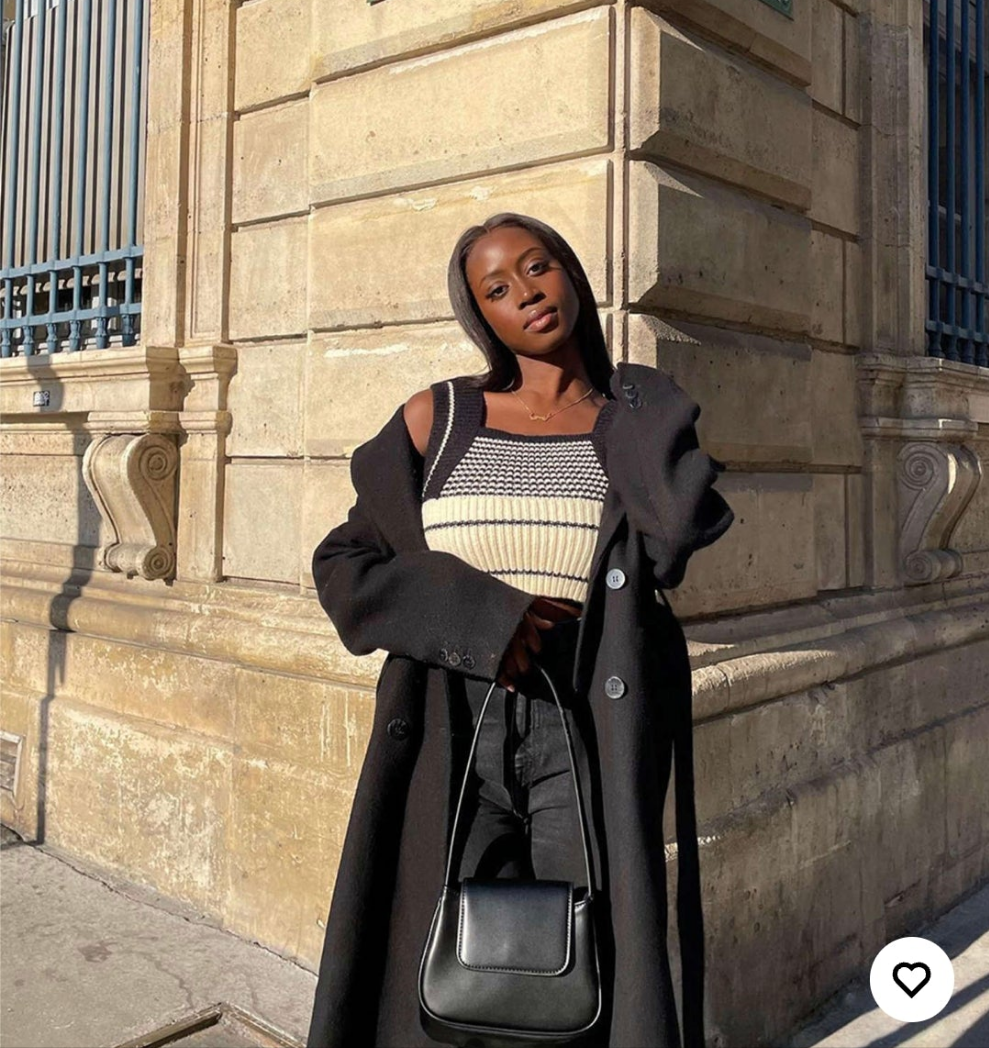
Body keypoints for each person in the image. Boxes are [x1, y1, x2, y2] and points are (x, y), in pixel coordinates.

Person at [306, 212, 736, 1048]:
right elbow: (346, 563)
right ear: (481, 319)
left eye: (536, 268)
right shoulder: (439, 417)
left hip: (584, 719)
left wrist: (637, 405)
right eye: (495, 288)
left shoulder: (630, 414)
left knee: (580, 962)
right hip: (454, 715)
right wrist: (486, 618)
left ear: (569, 274)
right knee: (450, 960)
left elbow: (676, 538)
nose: (525, 293)